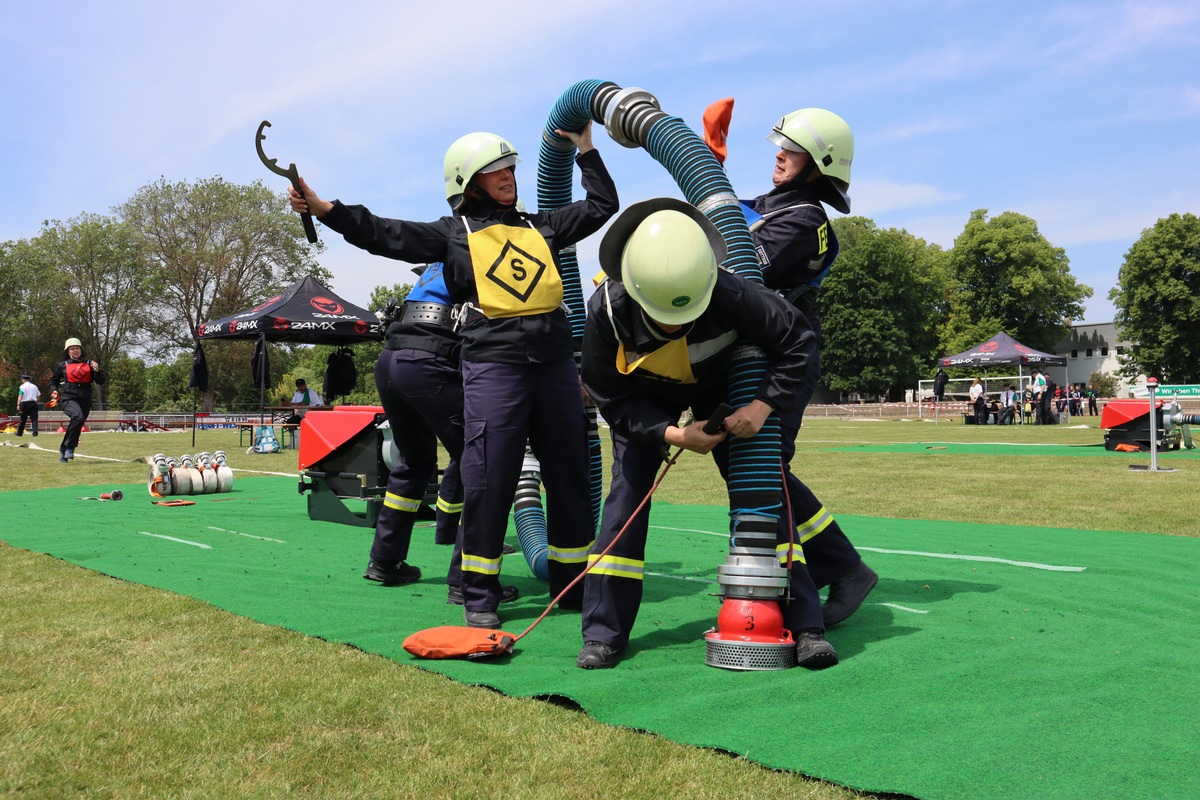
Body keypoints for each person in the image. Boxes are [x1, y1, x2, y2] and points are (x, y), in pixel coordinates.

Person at [288, 123, 618, 629]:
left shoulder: (542, 226)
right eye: (496, 170)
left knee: (570, 478)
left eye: (510, 167)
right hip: (492, 369)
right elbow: (384, 233)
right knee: (488, 479)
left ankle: (570, 585)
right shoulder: (452, 233)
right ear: (469, 181)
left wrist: (586, 149)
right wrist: (326, 209)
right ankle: (478, 595)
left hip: (554, 368)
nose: (508, 176)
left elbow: (602, 205)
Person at [577, 198, 837, 670]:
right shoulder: (605, 312)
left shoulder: (730, 292)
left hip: (725, 385)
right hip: (645, 398)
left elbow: (798, 340)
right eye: (662, 316)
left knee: (760, 490)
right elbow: (610, 397)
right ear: (632, 287)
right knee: (625, 501)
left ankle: (806, 626)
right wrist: (671, 434)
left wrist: (762, 404)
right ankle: (603, 632)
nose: (675, 325)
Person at [739, 107, 876, 625]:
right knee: (762, 469)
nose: (779, 154)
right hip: (758, 353)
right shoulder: (769, 206)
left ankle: (839, 569)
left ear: (818, 164)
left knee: (762, 469)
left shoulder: (802, 219)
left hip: (784, 357)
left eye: (791, 149)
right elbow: (719, 222)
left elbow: (739, 264)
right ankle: (838, 566)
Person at [366, 262, 518, 608]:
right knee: (481, 461)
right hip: (428, 361)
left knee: (414, 462)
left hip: (391, 359)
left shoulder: (440, 259)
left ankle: (384, 561)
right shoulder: (490, 253)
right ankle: (467, 581)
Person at [49, 337, 106, 462]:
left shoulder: (90, 364)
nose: (75, 351)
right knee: (78, 417)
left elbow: (101, 381)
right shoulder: (62, 366)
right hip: (68, 398)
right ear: (68, 351)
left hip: (85, 399)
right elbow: (53, 381)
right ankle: (70, 447)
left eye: (77, 348)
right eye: (72, 349)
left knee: (77, 422)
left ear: (81, 350)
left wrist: (97, 370)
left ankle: (64, 449)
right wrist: (54, 391)